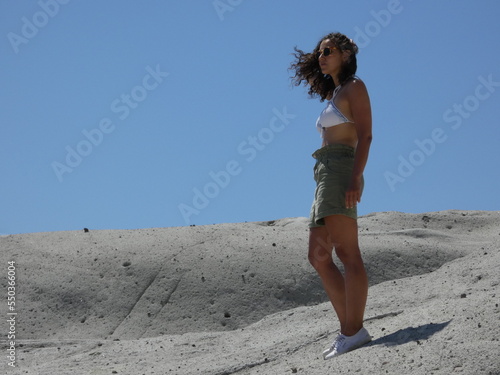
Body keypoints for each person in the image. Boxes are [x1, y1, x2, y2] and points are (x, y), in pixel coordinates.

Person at [290, 32, 373, 359]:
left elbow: (365, 136)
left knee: (347, 252)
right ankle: (349, 330)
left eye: (328, 51)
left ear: (346, 54)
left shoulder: (355, 87)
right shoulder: (337, 91)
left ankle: (353, 332)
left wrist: (355, 177)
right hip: (324, 173)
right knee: (319, 256)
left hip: (342, 169)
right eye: (319, 52)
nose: (321, 55)